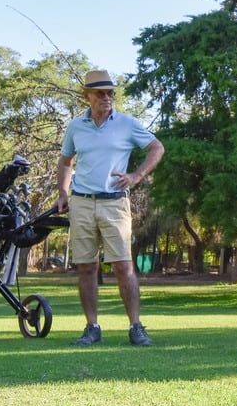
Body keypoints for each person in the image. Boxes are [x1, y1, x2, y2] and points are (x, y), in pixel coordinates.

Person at [55, 69, 165, 347]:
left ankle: (136, 327)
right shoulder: (75, 126)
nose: (107, 97)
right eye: (100, 93)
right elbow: (66, 161)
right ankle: (92, 327)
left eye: (110, 93)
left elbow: (157, 148)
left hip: (114, 203)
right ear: (87, 96)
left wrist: (136, 176)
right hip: (81, 202)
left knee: (123, 266)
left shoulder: (127, 124)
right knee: (86, 267)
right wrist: (63, 194)